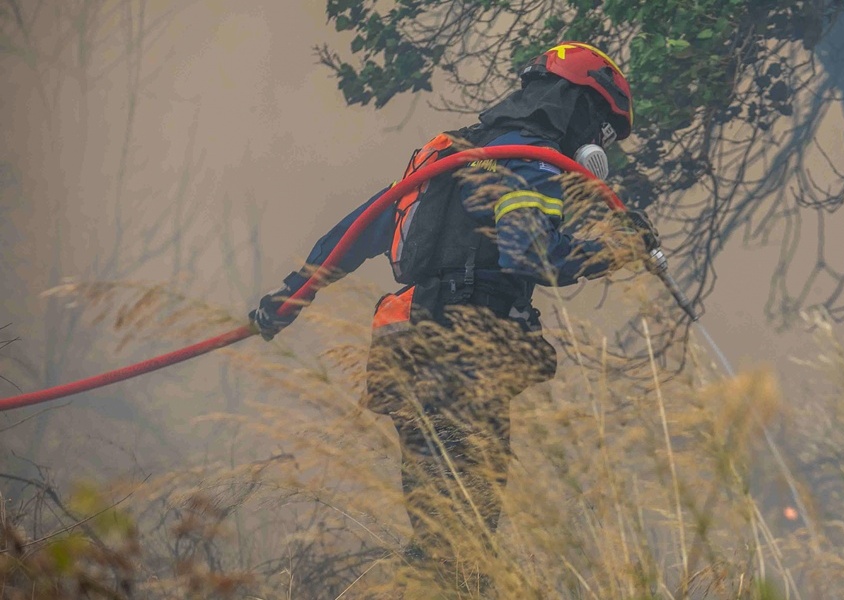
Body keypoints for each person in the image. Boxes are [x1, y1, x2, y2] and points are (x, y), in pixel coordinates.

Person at [249, 42, 660, 591]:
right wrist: (616, 248)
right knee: (466, 533)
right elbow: (531, 255)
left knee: (440, 528)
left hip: (406, 346)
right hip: (466, 353)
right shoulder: (533, 161)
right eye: (604, 130)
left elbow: (354, 231)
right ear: (578, 104)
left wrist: (287, 301)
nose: (599, 145)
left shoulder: (451, 153)